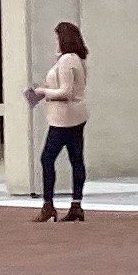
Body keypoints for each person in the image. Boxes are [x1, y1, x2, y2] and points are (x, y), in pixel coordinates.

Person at [32, 21, 92, 219]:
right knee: (76, 158)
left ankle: (48, 204)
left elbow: (66, 91)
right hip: (77, 114)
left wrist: (43, 92)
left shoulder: (66, 60)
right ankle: (76, 203)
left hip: (63, 117)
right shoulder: (78, 59)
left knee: (47, 158)